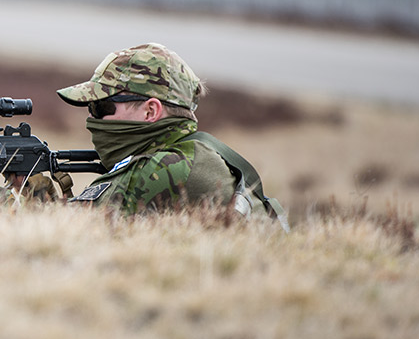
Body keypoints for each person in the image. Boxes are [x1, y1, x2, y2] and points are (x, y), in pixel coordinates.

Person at [54, 42, 288, 228]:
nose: (92, 117)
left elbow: (71, 223)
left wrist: (34, 191)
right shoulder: (196, 151)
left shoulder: (170, 167)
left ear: (150, 111)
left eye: (101, 107)